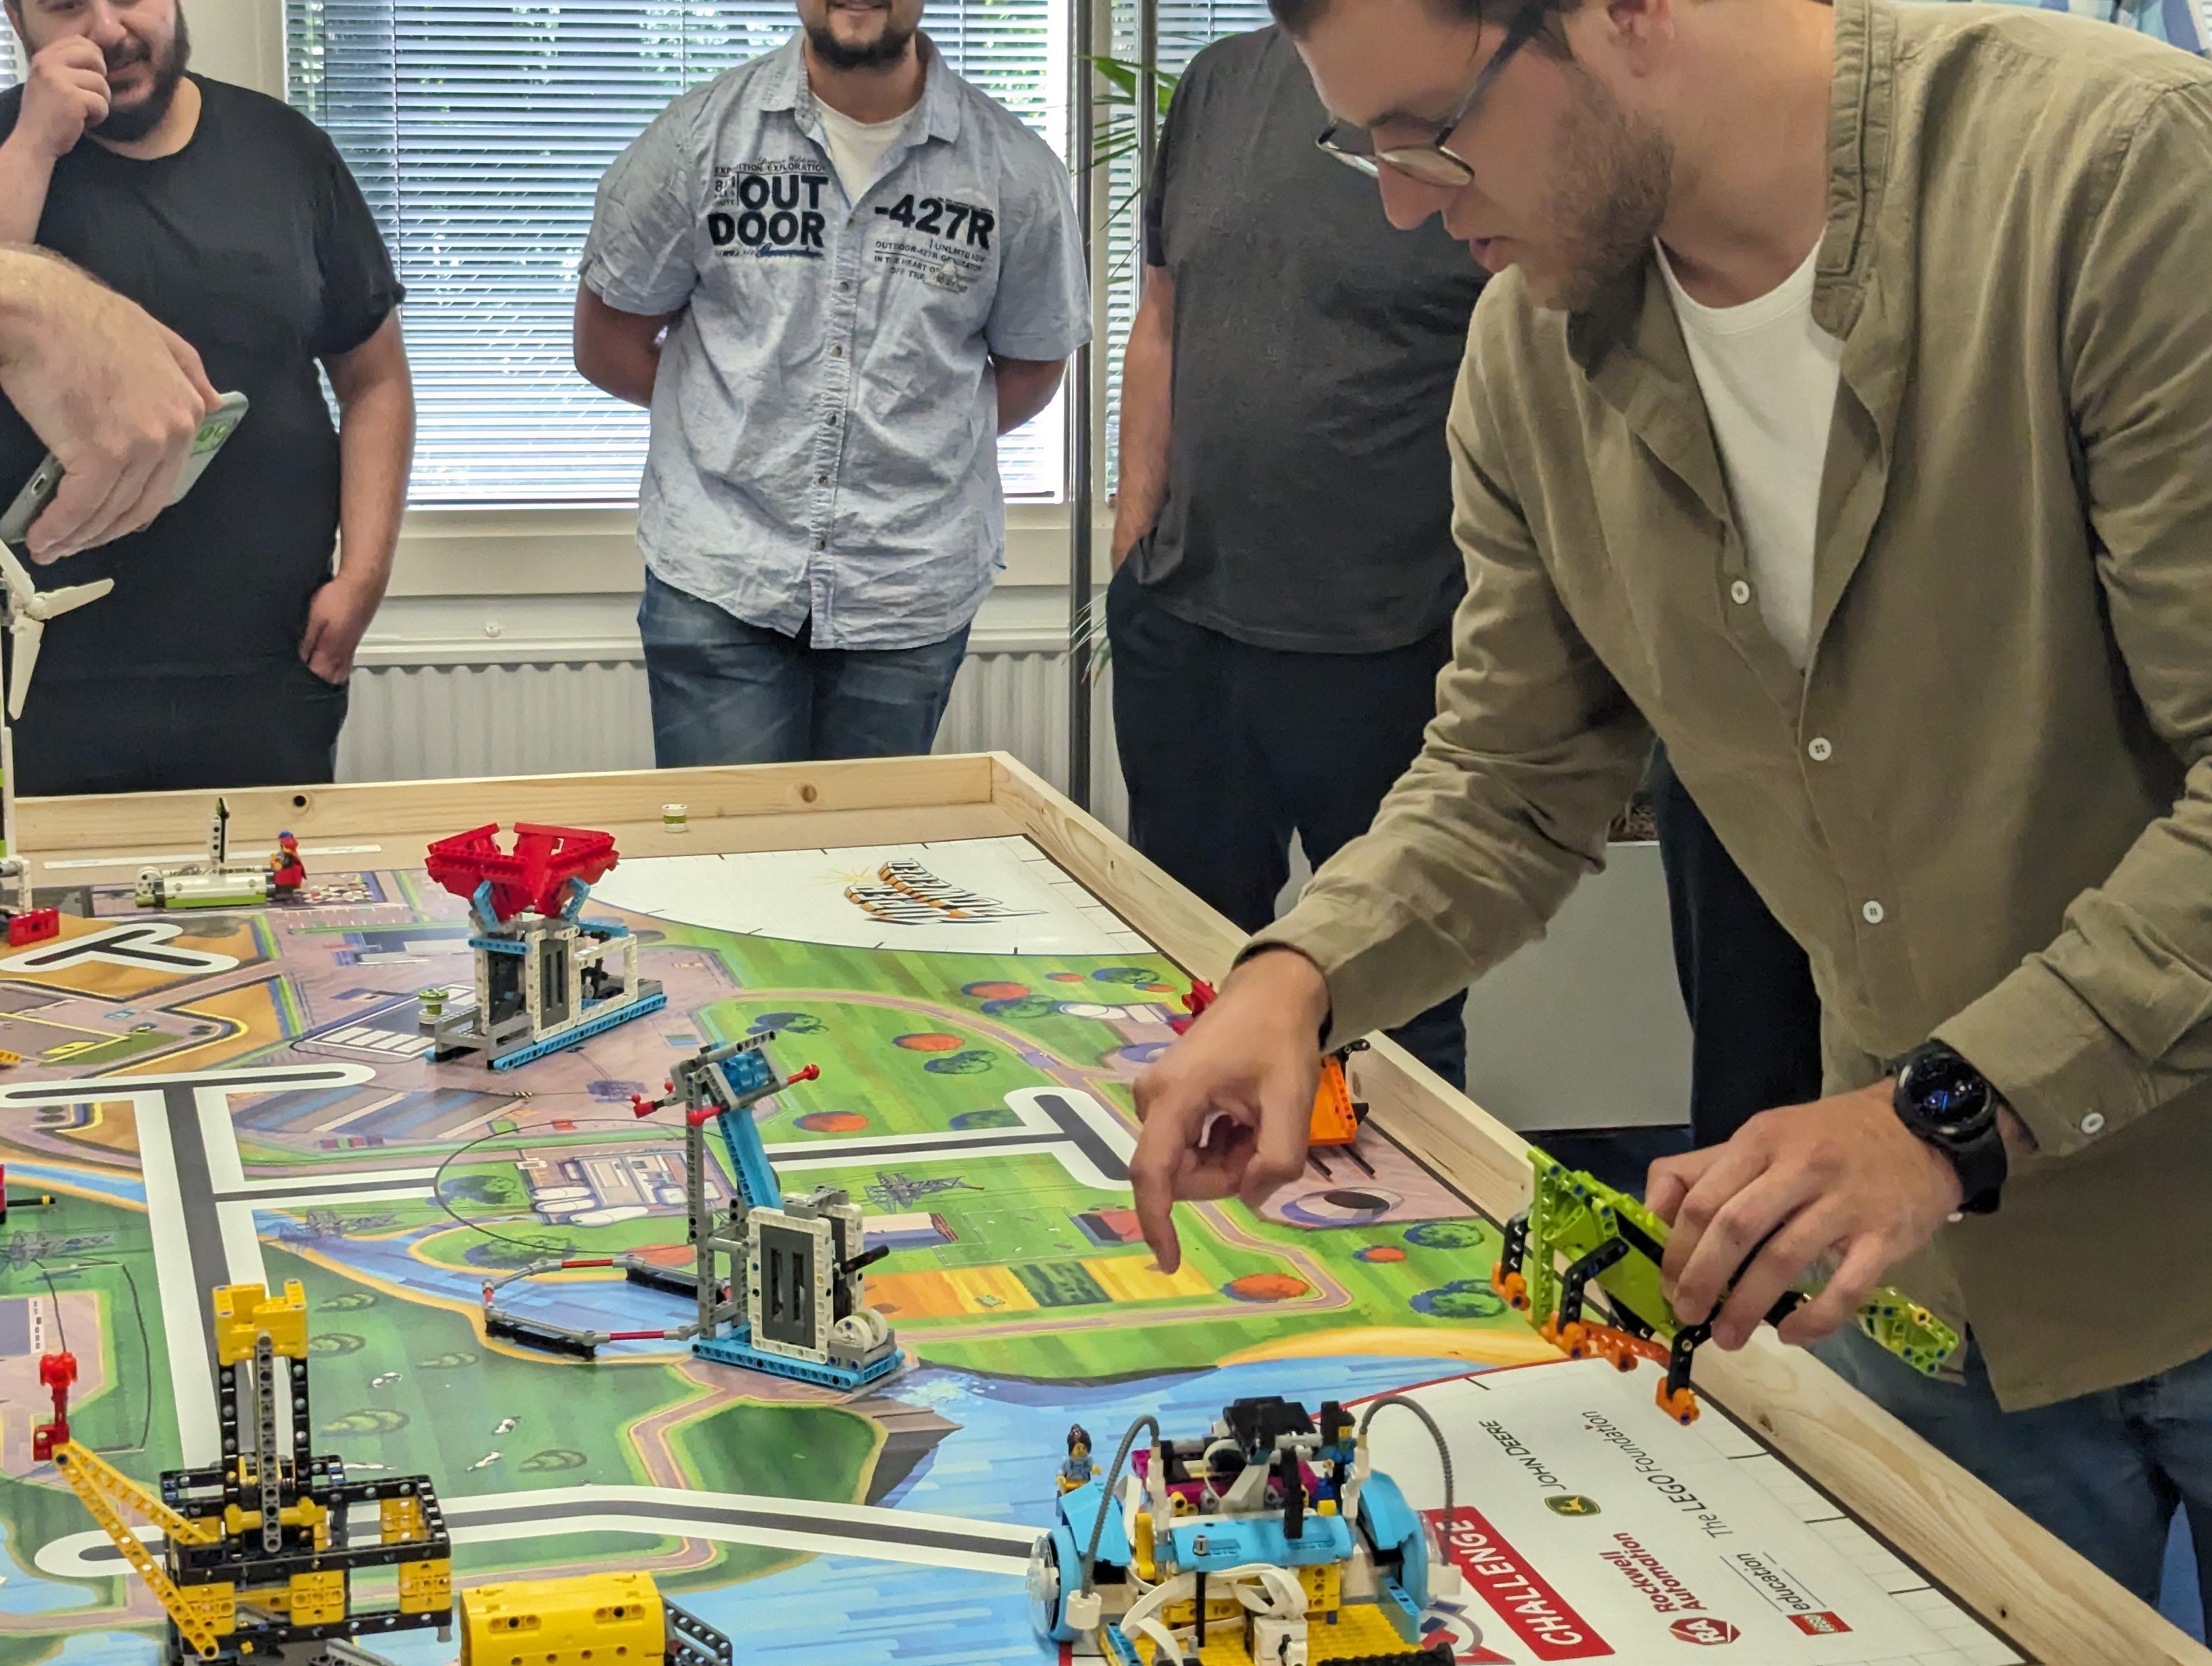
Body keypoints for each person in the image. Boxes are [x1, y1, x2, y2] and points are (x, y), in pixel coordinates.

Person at [1129, 0, 2212, 1605]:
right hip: (1933, 1286)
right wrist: (1302, 979)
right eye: (1366, 146)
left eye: (1430, 127)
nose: (1403, 205)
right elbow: (1508, 776)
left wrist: (1947, 1114)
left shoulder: (2116, 180)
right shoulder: (1531, 351)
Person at [1108, 24, 1485, 1091]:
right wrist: (1134, 546)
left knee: (1395, 1006)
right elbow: (1164, 320)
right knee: (1188, 980)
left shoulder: (1484, 90)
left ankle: (1414, 1252)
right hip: (1186, 628)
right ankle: (1208, 1254)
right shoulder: (1222, 81)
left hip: (1389, 640)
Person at [574, 0, 1089, 768]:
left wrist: (897, 433)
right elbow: (606, 343)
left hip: (908, 588)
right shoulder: (695, 142)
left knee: (866, 873)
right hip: (722, 576)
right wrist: (749, 417)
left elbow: (1031, 369)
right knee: (729, 867)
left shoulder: (1015, 173)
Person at [0, 0, 411, 794]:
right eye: (65, 5)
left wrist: (362, 576)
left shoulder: (287, 150)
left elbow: (374, 378)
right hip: (40, 673)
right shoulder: (7, 145)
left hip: (265, 663)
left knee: (273, 916)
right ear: (16, 18)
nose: (111, 28)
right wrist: (33, 146)